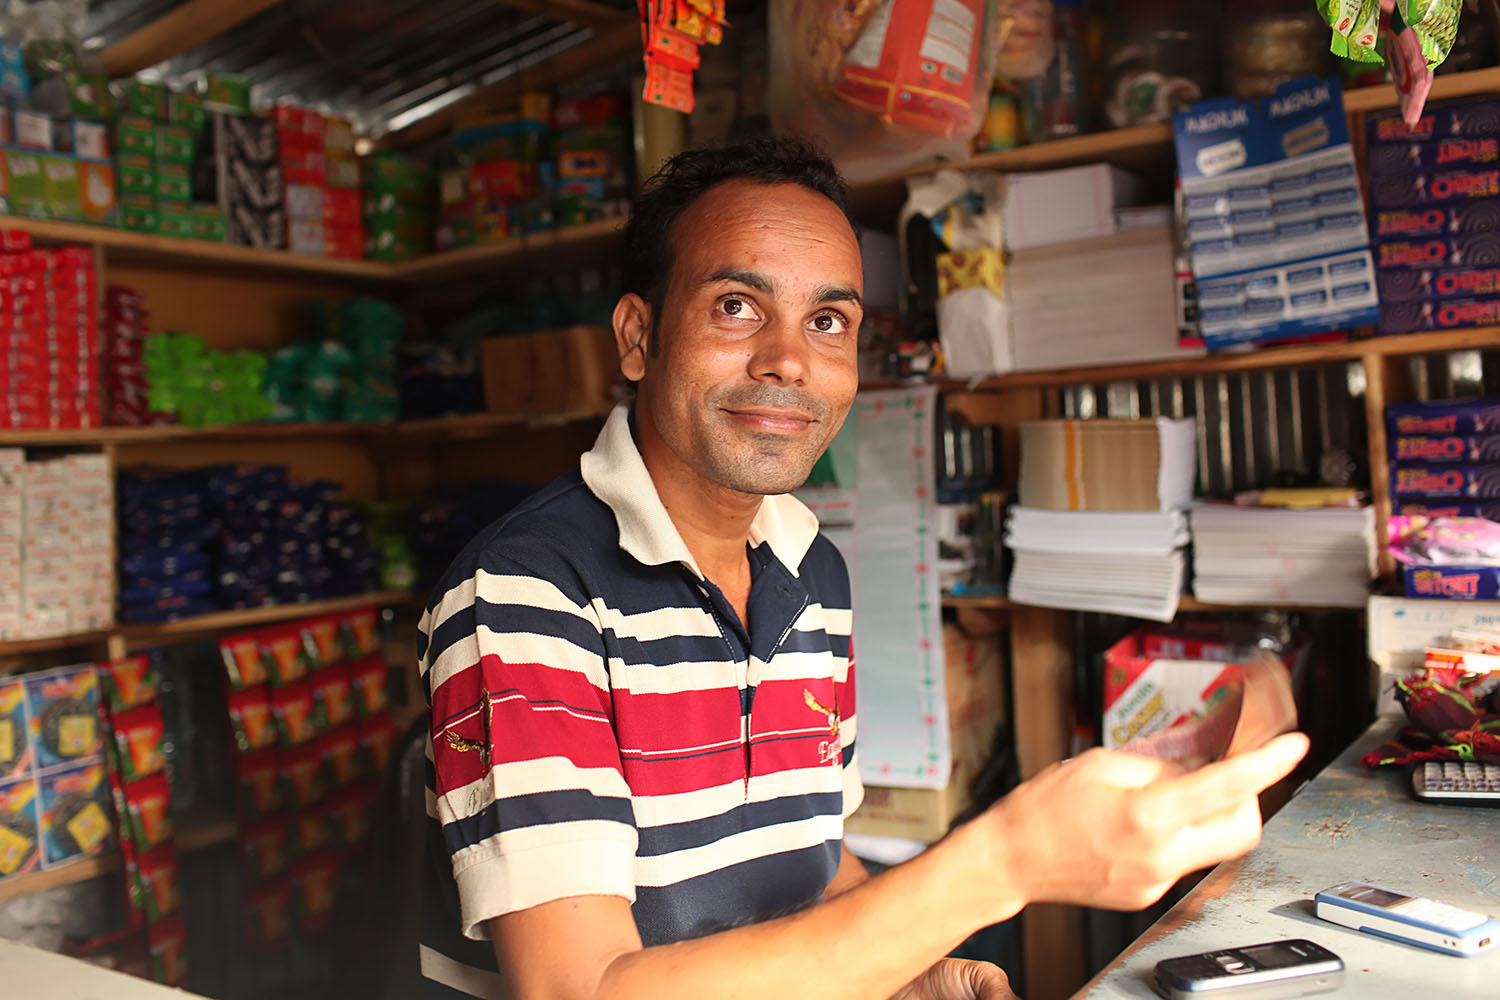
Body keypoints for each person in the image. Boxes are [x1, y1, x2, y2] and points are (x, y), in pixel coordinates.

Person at [417, 136, 1309, 1000]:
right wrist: (999, 862)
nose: (790, 361)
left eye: (828, 321)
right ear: (639, 336)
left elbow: (810, 859)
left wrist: (913, 971)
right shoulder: (525, 592)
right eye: (737, 306)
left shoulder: (812, 573)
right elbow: (581, 990)